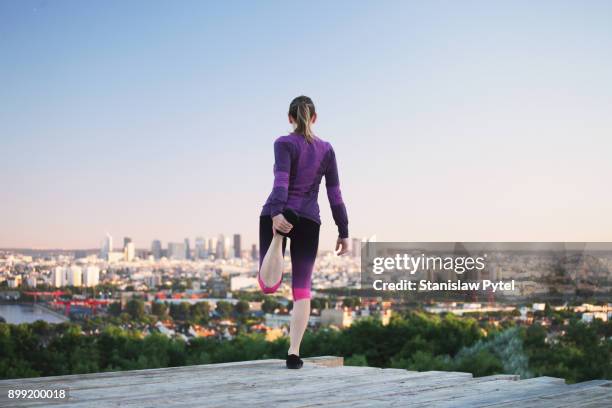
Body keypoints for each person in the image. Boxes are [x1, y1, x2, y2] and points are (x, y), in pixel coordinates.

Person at [258, 95, 350, 369]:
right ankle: (294, 352)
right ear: (314, 118)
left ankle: (278, 237)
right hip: (309, 220)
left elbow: (281, 180)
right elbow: (335, 194)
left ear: (290, 118)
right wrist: (343, 231)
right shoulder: (327, 149)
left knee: (268, 286)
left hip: (278, 212)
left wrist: (276, 213)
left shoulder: (283, 143)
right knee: (302, 290)